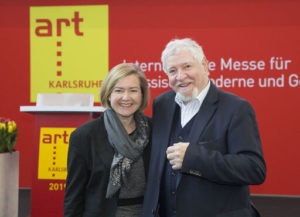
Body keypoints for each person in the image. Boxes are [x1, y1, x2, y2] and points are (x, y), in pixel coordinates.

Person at [142, 38, 266, 217]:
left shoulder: (236, 108)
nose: (180, 76)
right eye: (172, 71)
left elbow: (254, 169)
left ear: (205, 66)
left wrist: (194, 157)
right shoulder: (162, 104)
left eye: (187, 67)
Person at [63, 63, 151, 217]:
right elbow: (74, 195)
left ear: (142, 95)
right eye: (118, 90)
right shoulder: (84, 136)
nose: (126, 97)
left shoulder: (155, 130)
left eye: (133, 90)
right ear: (108, 95)